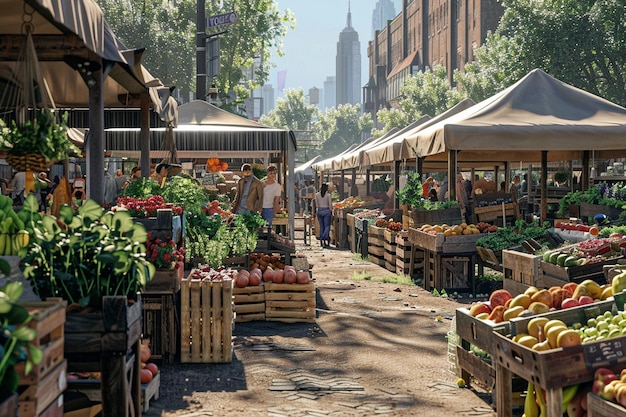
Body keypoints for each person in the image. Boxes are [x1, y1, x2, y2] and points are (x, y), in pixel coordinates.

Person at [314, 182, 332, 248]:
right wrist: (331, 211)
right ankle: (325, 236)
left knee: (321, 226)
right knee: (327, 226)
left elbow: (316, 204)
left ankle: (322, 239)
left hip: (319, 211)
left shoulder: (317, 195)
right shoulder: (328, 195)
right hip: (326, 211)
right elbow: (330, 205)